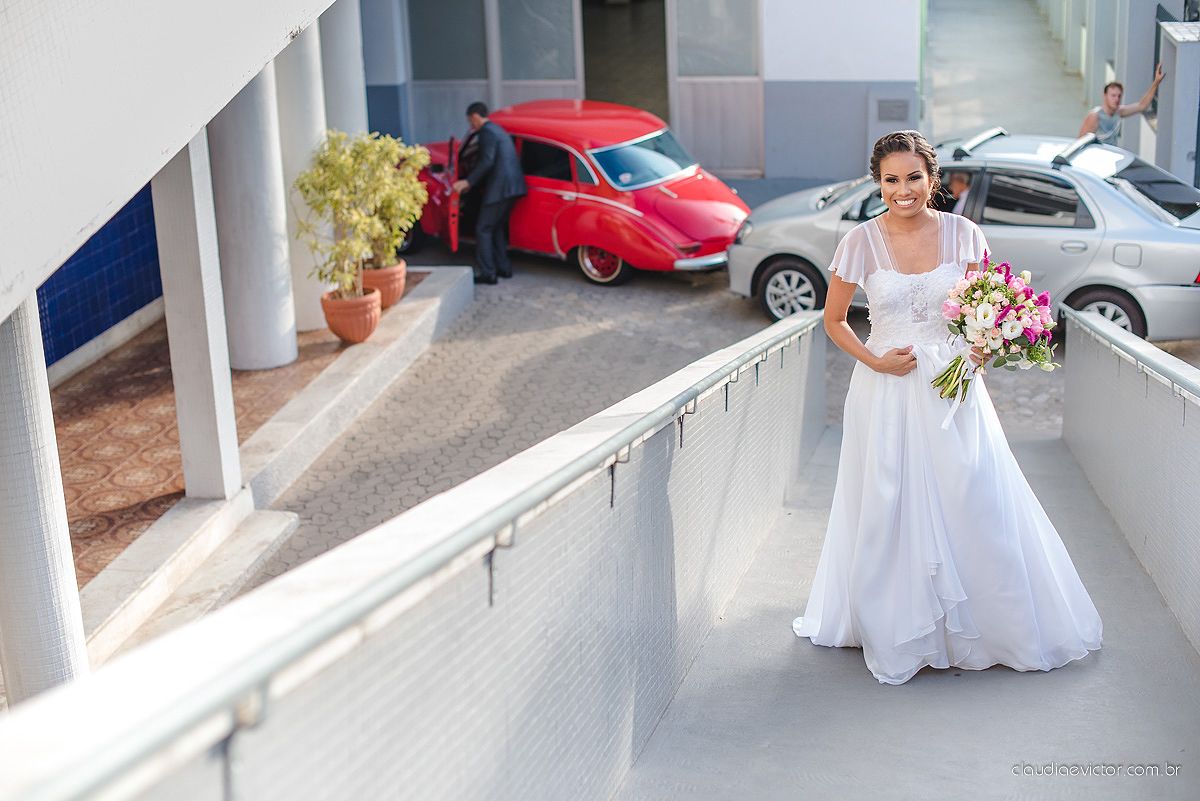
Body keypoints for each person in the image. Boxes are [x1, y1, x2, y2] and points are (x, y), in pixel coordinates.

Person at [792, 130, 1102, 685]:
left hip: (953, 387)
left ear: (932, 179)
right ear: (878, 183)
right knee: (888, 501)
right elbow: (833, 319)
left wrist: (981, 349)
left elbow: (988, 307)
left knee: (971, 493)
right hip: (886, 389)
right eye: (891, 180)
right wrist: (875, 361)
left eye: (914, 177)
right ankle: (894, 625)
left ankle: (989, 627)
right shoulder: (859, 242)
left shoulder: (965, 234)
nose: (903, 190)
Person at [452, 102, 527, 284]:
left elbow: (486, 161)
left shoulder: (486, 133)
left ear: (475, 116)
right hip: (513, 187)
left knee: (483, 229)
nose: (471, 125)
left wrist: (468, 182)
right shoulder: (497, 130)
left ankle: (488, 273)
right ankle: (504, 268)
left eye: (470, 121)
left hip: (499, 189)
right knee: (496, 228)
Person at [1078, 63, 1165, 146]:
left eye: (1119, 96)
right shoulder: (1095, 116)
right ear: (1104, 96)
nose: (1117, 99)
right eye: (1113, 96)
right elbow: (1080, 142)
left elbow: (1142, 106)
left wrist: (1156, 82)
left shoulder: (1119, 112)